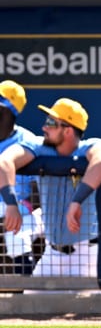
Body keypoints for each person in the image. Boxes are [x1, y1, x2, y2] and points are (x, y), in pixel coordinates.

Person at [0, 98, 101, 277]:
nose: (44, 127)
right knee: (31, 303)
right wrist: (11, 204)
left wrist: (76, 201)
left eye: (51, 123)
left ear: (68, 130)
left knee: (89, 306)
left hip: (85, 254)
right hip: (52, 254)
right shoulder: (39, 147)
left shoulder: (89, 147)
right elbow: (4, 162)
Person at [0, 81, 43, 275]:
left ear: (10, 111)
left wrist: (24, 208)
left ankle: (27, 291)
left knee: (16, 232)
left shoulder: (29, 141)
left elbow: (41, 188)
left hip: (20, 208)